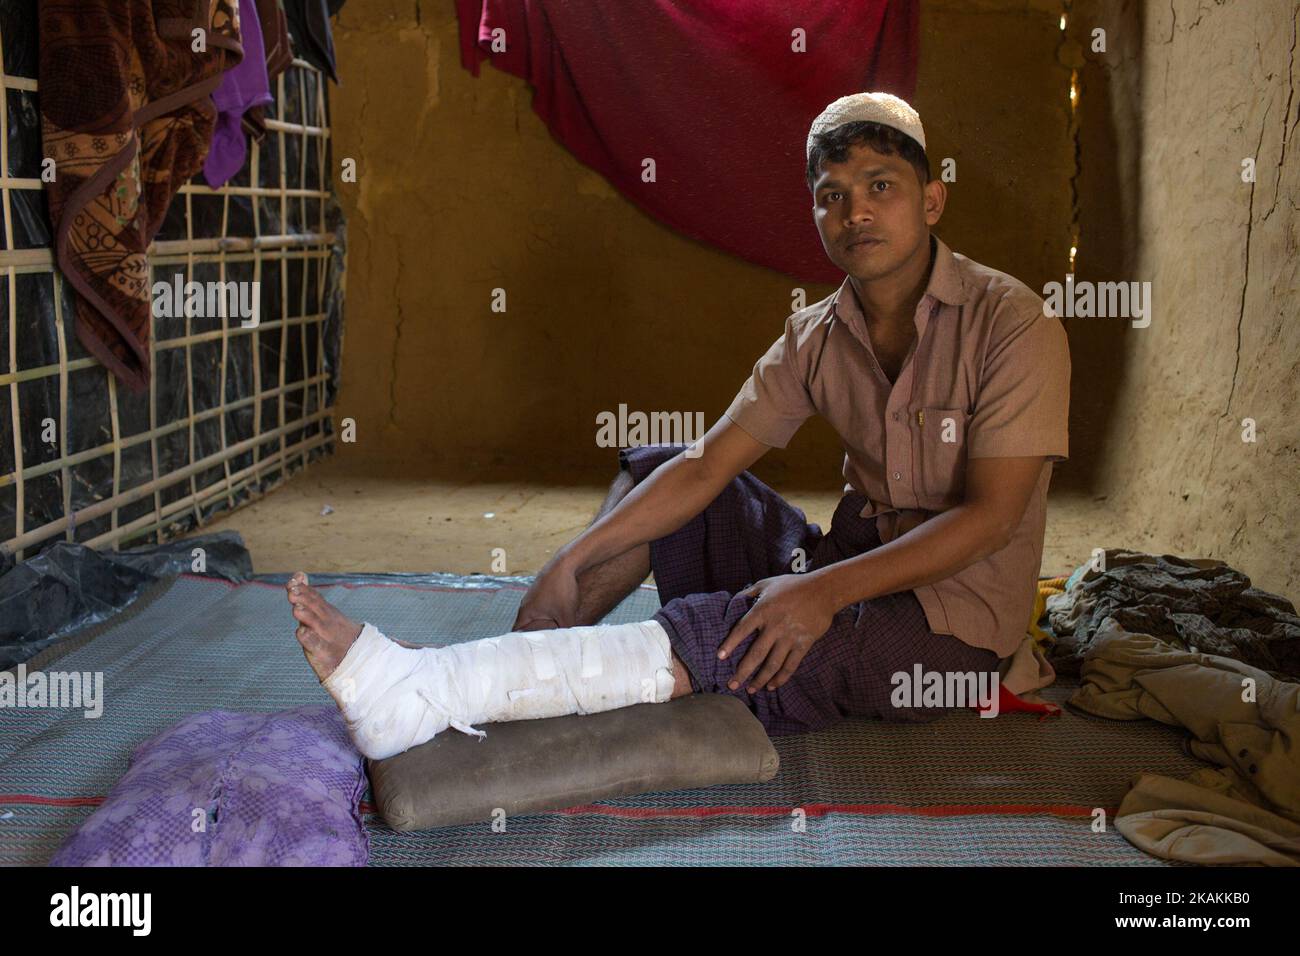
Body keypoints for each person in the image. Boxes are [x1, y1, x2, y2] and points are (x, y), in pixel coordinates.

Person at [288, 91, 1070, 760]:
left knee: (748, 627)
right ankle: (499, 673)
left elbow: (993, 517)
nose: (855, 211)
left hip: (952, 623)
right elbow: (706, 466)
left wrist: (820, 594)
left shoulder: (1012, 324)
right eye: (831, 195)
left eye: (881, 186)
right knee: (655, 472)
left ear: (931, 201)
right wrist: (573, 557)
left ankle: (436, 690)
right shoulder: (816, 334)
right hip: (848, 558)